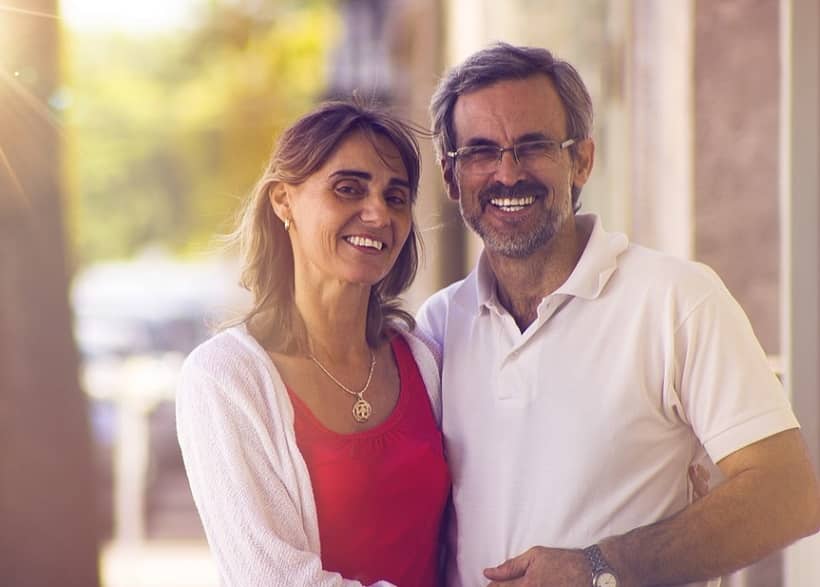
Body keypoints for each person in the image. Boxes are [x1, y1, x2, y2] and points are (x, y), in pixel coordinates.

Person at [417, 42, 820, 587]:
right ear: (451, 176)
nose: (507, 174)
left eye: (533, 146)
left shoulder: (676, 299)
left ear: (581, 159)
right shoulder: (438, 327)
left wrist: (598, 567)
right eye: (481, 152)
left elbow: (788, 494)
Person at [176, 100, 450, 587]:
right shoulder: (224, 378)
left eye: (396, 197)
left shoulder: (424, 359)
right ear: (284, 201)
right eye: (348, 189)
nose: (377, 213)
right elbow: (269, 578)